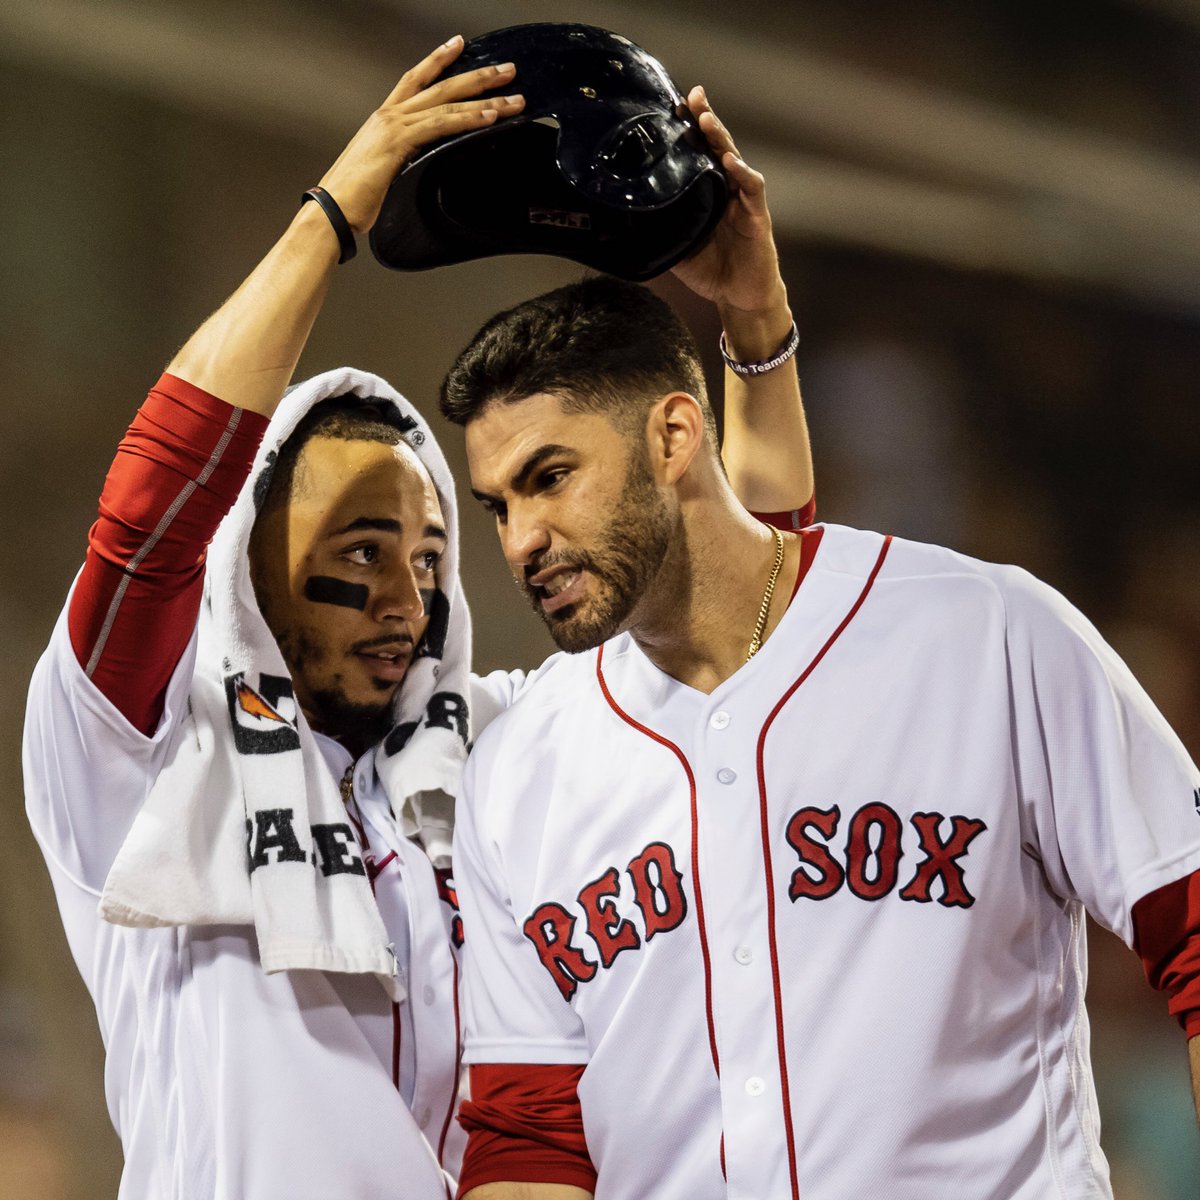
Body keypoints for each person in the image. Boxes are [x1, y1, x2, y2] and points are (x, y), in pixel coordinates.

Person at [21, 34, 813, 1200]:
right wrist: (333, 217)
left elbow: (751, 624)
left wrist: (754, 328)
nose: (409, 598)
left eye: (433, 556)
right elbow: (149, 517)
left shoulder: (490, 753)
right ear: (252, 568)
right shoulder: (146, 752)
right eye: (360, 553)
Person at [437, 251, 1200, 1195]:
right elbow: (530, 1131)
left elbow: (1193, 929)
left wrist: (759, 330)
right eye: (497, 504)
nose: (520, 540)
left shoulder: (989, 636)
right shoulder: (518, 766)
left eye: (550, 477)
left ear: (675, 436)